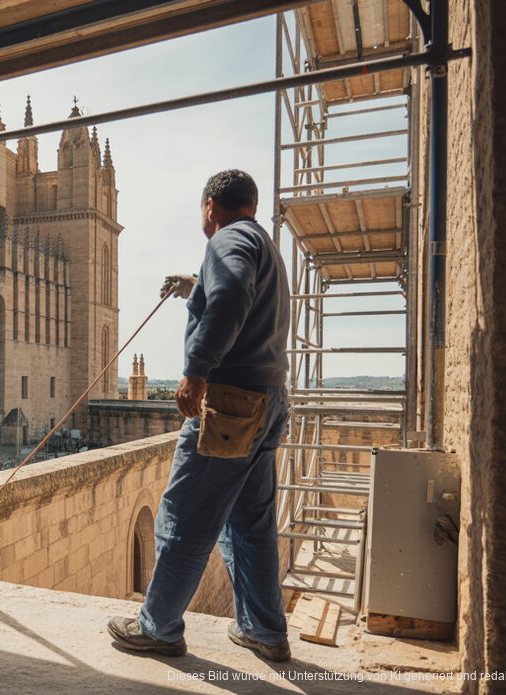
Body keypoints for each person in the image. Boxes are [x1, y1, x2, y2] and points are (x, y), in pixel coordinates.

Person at [107, 169, 292, 661]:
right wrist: (198, 287)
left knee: (183, 516)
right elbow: (241, 299)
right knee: (250, 524)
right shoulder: (264, 244)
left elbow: (231, 297)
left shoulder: (227, 239)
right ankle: (264, 630)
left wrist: (196, 371)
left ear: (210, 207)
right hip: (268, 400)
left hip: (232, 405)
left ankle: (159, 627)